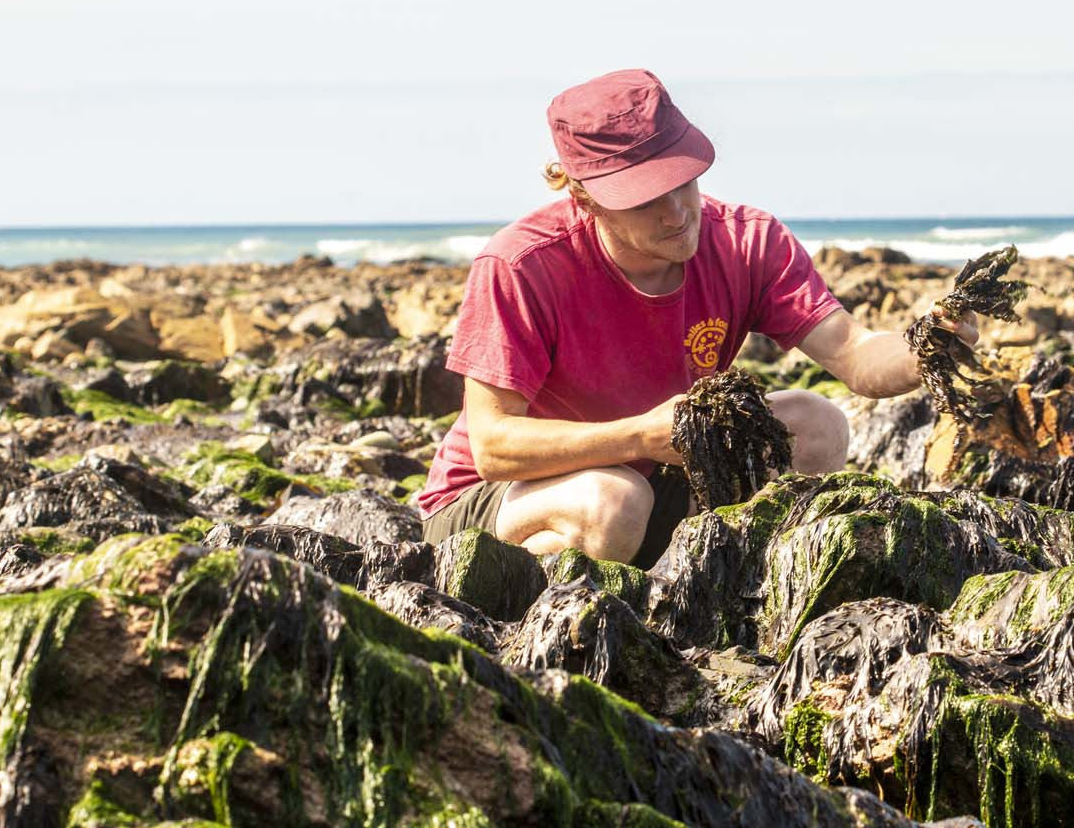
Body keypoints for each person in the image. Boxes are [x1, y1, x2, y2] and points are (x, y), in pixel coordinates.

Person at [418, 69, 977, 567]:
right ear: (583, 197)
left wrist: (926, 346)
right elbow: (493, 446)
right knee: (610, 501)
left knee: (815, 423)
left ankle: (714, 584)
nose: (675, 213)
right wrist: (642, 434)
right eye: (642, 199)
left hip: (653, 475)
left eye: (680, 181)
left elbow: (855, 355)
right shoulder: (522, 265)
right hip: (501, 503)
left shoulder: (746, 242)